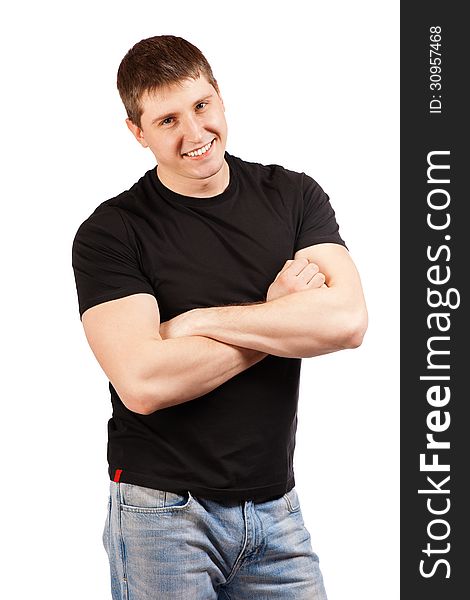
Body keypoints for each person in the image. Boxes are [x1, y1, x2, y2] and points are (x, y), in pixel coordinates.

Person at [72, 35, 367, 600]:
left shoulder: (293, 197)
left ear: (220, 97)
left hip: (277, 507)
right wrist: (281, 318)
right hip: (163, 513)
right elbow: (143, 381)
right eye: (167, 121)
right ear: (137, 131)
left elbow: (348, 321)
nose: (194, 133)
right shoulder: (112, 233)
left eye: (202, 106)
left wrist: (195, 323)